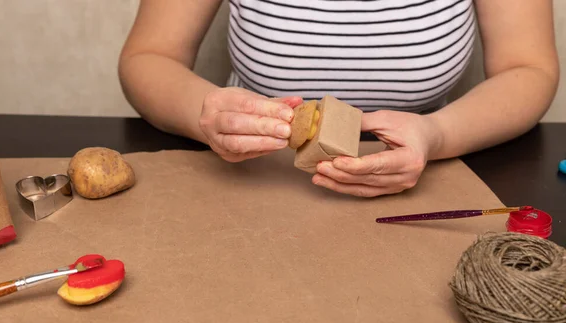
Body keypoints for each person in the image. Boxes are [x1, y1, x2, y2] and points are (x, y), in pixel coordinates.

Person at [118, 0, 559, 198]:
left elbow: (528, 69)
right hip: (254, 185)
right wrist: (205, 111)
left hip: (431, 180)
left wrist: (437, 133)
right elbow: (148, 58)